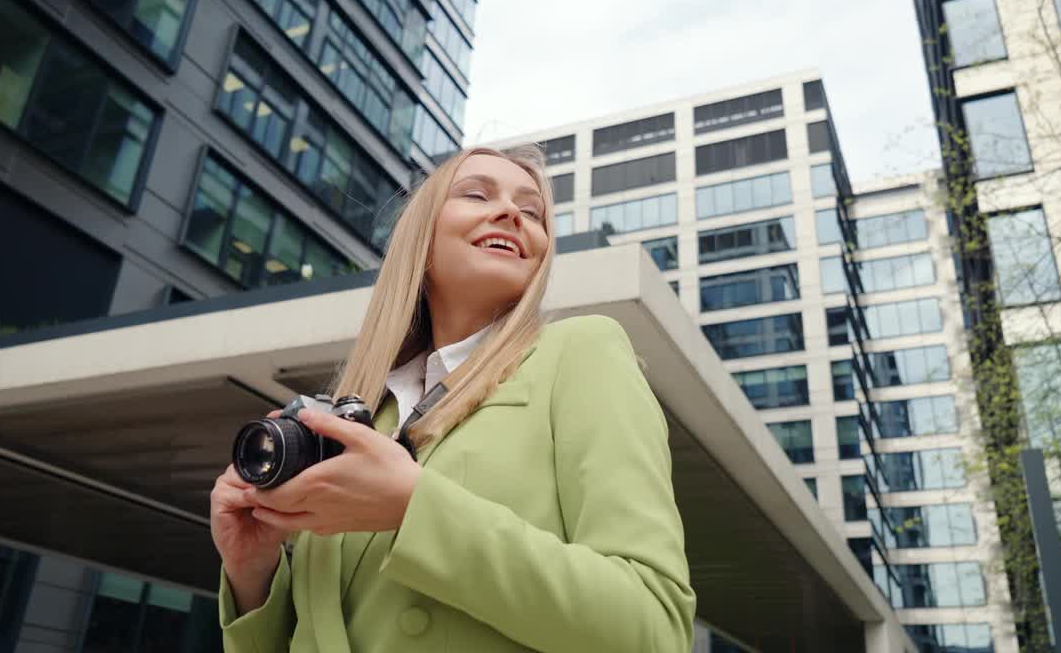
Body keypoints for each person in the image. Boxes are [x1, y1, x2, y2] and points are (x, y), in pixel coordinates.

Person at [210, 145, 696, 652]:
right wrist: (253, 577)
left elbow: (654, 628)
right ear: (422, 233)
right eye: (476, 194)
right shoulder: (362, 418)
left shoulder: (581, 351)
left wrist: (415, 508)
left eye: (533, 211)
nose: (512, 213)